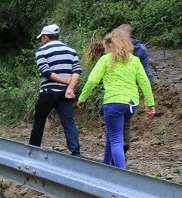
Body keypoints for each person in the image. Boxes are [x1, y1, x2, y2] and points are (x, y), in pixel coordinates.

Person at [76, 28, 155, 170]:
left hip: (113, 104)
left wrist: (82, 98)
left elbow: (92, 80)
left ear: (111, 45)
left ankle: (121, 174)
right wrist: (150, 104)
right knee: (112, 133)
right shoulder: (135, 60)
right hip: (131, 105)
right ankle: (106, 164)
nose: (104, 49)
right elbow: (144, 83)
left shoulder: (106, 60)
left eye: (106, 46)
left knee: (116, 139)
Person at [29, 24, 82, 156]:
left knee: (39, 122)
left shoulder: (41, 51)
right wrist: (69, 87)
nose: (41, 40)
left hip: (48, 92)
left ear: (46, 37)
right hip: (65, 93)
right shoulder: (71, 51)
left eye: (42, 37)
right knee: (69, 123)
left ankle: (33, 150)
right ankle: (75, 153)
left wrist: (65, 81)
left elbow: (46, 72)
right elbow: (77, 71)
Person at [116, 24, 155, 153]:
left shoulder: (116, 48)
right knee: (126, 121)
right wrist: (150, 90)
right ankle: (124, 143)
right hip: (133, 89)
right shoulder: (142, 49)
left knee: (106, 117)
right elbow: (146, 71)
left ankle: (117, 143)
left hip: (116, 88)